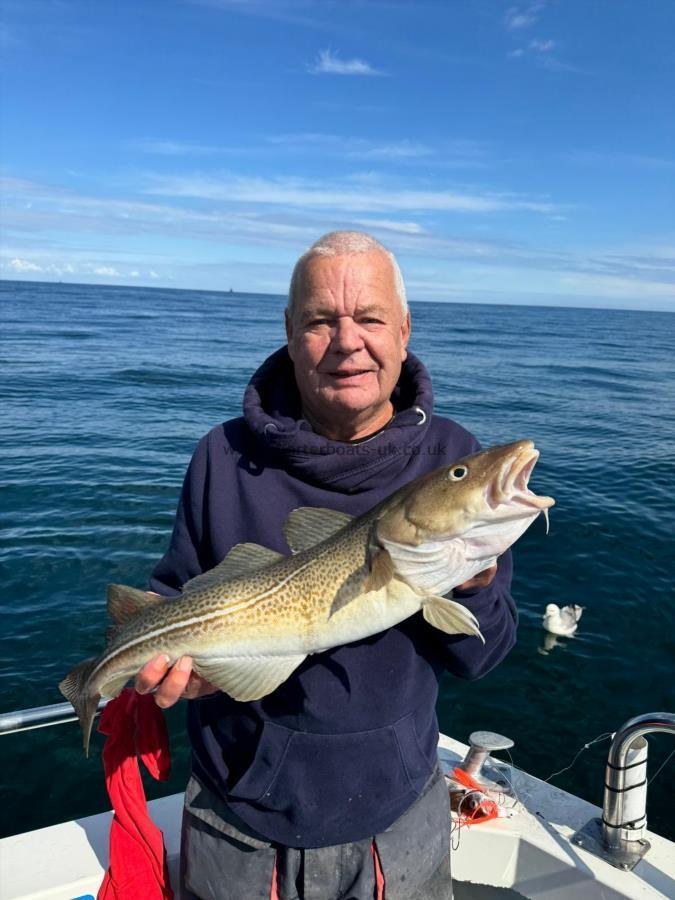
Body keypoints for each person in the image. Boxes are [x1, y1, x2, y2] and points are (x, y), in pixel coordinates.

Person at [135, 232, 517, 900]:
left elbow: (478, 659)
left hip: (398, 814)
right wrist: (172, 672)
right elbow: (175, 594)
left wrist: (478, 586)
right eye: (320, 321)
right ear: (289, 332)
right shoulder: (221, 456)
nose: (347, 342)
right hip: (238, 822)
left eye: (369, 318)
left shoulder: (452, 457)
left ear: (402, 330)